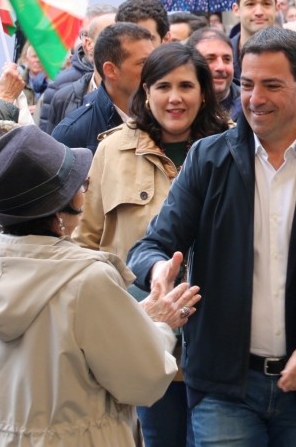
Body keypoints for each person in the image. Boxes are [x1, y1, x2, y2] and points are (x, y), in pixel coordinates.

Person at [126, 27, 296, 445]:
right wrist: (159, 269)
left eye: (271, 85)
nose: (255, 99)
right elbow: (151, 245)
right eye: (247, 85)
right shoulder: (207, 160)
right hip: (224, 386)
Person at [0, 126, 200, 446]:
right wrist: (158, 326)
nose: (85, 191)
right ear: (63, 205)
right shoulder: (86, 279)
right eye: (83, 184)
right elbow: (143, 381)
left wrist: (135, 319)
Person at [73, 43, 229, 444]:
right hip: (142, 336)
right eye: (162, 86)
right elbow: (86, 242)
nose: (174, 98)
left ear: (204, 92)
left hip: (221, 342)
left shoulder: (234, 149)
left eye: (185, 86)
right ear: (145, 92)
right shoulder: (111, 150)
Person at [53, 23, 157, 153]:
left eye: (154, 61)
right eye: (143, 63)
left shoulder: (164, 116)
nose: (154, 69)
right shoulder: (73, 132)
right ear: (111, 70)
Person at [40, 7, 117, 134]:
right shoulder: (61, 89)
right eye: (85, 34)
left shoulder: (135, 88)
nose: (88, 41)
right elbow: (47, 144)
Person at [230, 0, 279, 81]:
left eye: (266, 4)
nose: (259, 12)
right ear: (236, 9)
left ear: (277, 8)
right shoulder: (221, 58)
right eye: (250, 4)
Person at [186, 27, 241, 121]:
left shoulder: (251, 106)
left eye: (226, 59)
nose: (220, 67)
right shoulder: (179, 107)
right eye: (210, 59)